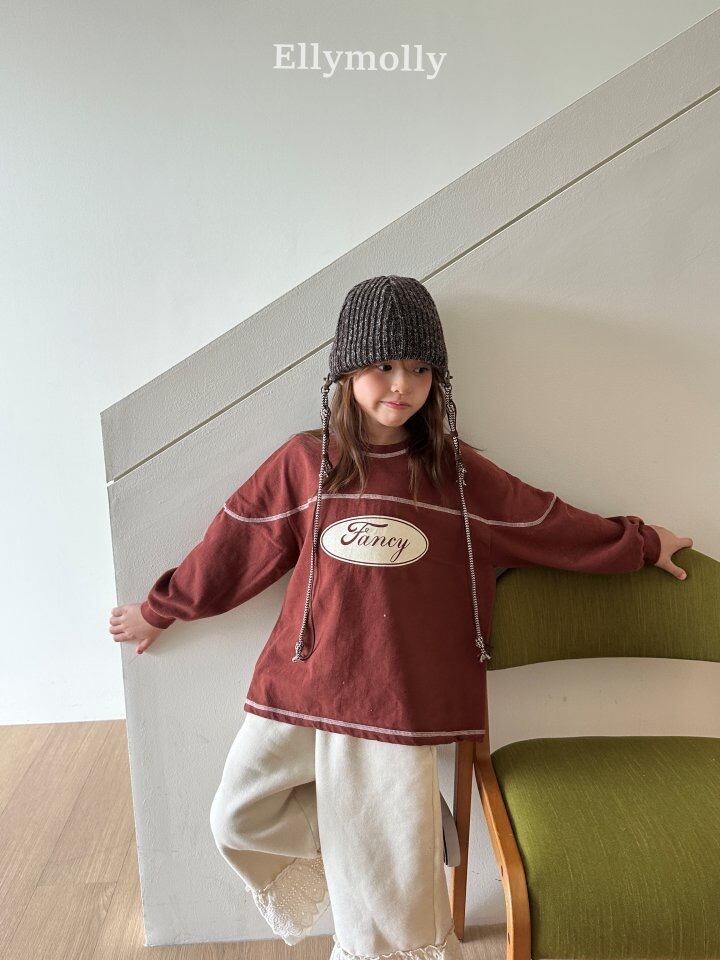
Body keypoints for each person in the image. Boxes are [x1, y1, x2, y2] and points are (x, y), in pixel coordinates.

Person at [109, 275, 692, 959]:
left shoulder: (453, 476)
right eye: (384, 365)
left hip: (393, 701)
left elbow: (546, 523)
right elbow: (235, 547)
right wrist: (161, 609)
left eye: (419, 368)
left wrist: (641, 543)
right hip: (303, 687)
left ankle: (396, 836)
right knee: (236, 816)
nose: (402, 384)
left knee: (389, 920)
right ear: (347, 369)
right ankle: (398, 828)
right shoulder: (305, 464)